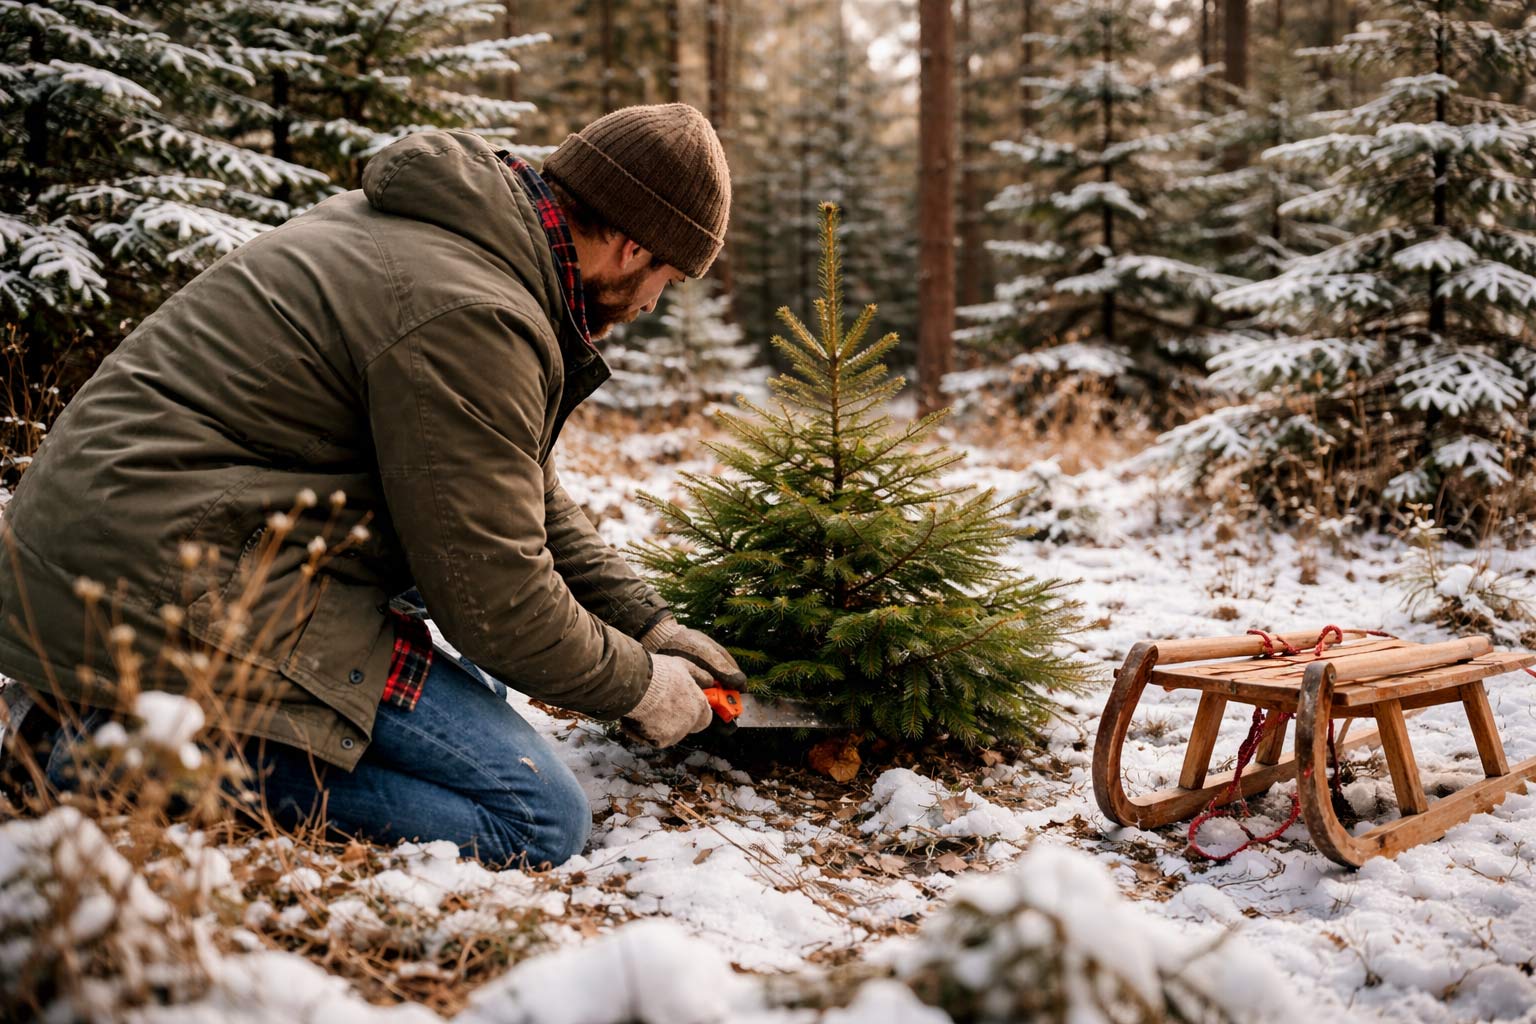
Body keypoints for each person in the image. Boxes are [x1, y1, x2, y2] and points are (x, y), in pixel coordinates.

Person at [0, 103, 745, 868]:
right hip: (156, 580)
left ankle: (125, 716)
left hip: (137, 544)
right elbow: (498, 604)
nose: (655, 303)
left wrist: (647, 623)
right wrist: (640, 686)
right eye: (670, 277)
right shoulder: (472, 309)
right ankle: (85, 749)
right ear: (630, 247)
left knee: (477, 695)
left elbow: (520, 490)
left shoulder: (465, 241)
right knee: (539, 818)